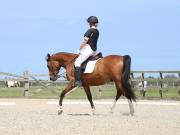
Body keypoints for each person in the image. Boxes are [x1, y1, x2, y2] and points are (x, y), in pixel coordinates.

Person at [74, 16, 99, 86]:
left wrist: (79, 49)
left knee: (77, 62)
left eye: (88, 23)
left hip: (88, 50)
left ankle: (78, 81)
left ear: (90, 23)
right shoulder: (97, 31)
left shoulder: (89, 31)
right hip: (94, 50)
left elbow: (84, 41)